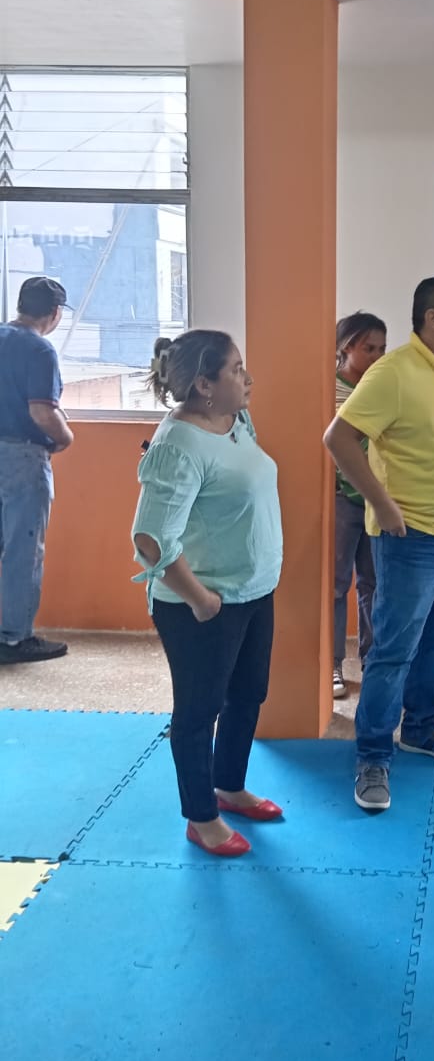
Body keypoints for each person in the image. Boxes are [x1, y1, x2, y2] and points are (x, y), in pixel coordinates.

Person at [324, 277, 434, 813]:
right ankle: (373, 756)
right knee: (393, 651)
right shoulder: (393, 372)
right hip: (409, 539)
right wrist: (384, 505)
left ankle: (420, 729)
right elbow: (338, 438)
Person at [132, 330, 284, 857]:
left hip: (253, 591)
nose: (248, 378)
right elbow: (151, 540)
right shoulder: (177, 445)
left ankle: (229, 787)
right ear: (204, 384)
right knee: (199, 713)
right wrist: (200, 599)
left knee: (248, 694)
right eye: (236, 370)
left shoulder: (235, 420)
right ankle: (201, 817)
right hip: (203, 606)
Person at [0, 276, 73, 664]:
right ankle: (14, 639)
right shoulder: (39, 349)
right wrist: (64, 438)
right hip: (21, 458)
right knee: (22, 550)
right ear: (55, 313)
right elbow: (42, 411)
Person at [333, 311, 387, 698]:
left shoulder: (382, 386)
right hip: (341, 501)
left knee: (373, 584)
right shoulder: (329, 387)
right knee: (336, 586)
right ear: (346, 347)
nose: (377, 356)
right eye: (369, 348)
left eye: (382, 349)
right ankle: (333, 665)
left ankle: (372, 660)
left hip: (377, 500)